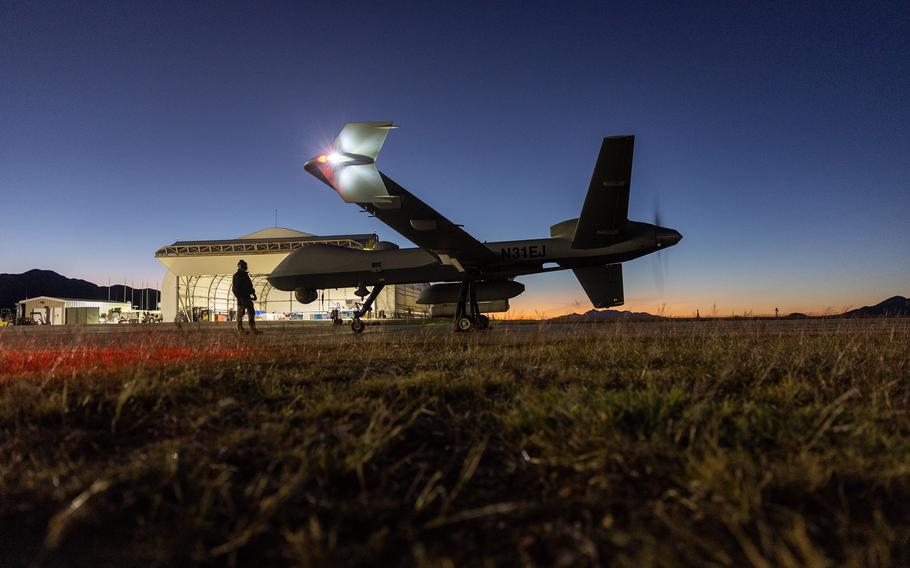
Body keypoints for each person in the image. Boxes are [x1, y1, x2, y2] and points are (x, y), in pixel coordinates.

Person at [232, 259, 260, 334]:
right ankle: (240, 329)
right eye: (245, 266)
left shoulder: (245, 276)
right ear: (241, 266)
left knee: (251, 313)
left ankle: (253, 328)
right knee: (240, 314)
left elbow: (250, 286)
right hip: (242, 299)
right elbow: (235, 289)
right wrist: (240, 298)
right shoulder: (237, 276)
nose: (246, 267)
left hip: (247, 298)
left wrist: (253, 294)